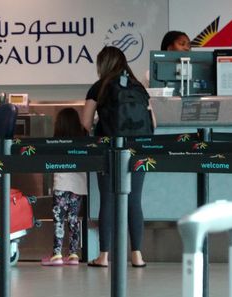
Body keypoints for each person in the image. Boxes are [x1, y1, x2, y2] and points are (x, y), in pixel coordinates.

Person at [81, 46, 156, 268]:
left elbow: (85, 122)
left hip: (109, 149)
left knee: (108, 199)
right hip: (138, 151)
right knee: (134, 200)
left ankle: (104, 256)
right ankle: (137, 255)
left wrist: (101, 124)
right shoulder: (139, 87)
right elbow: (154, 123)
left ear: (102, 65)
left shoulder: (99, 87)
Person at [41, 108, 88, 266]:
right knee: (74, 219)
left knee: (59, 219)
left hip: (61, 182)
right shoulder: (83, 138)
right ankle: (74, 254)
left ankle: (57, 254)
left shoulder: (56, 140)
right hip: (79, 184)